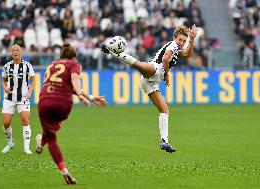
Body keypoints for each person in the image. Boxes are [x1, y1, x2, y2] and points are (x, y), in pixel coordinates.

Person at [102, 25, 198, 153]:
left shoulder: (176, 48)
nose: (181, 43)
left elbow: (188, 53)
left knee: (164, 110)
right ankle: (111, 50)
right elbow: (164, 59)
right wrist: (167, 74)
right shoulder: (173, 45)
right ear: (174, 37)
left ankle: (164, 142)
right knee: (138, 65)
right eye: (180, 39)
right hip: (156, 69)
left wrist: (191, 38)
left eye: (183, 41)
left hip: (151, 82)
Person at [36, 44, 107, 184]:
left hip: (44, 101)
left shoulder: (51, 65)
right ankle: (41, 141)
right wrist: (81, 95)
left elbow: (63, 84)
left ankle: (64, 170)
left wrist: (90, 97)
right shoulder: (73, 64)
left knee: (52, 137)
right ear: (73, 57)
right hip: (62, 104)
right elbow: (74, 80)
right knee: (55, 124)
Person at [1, 44, 36, 154]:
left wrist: (30, 92)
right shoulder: (7, 66)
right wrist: (6, 88)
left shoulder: (27, 66)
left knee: (25, 119)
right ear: (11, 53)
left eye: (17, 50)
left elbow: (34, 80)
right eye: (13, 50)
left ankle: (26, 148)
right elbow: (3, 80)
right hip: (9, 98)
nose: (15, 52)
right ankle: (10, 143)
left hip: (23, 97)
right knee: (6, 123)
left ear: (21, 52)